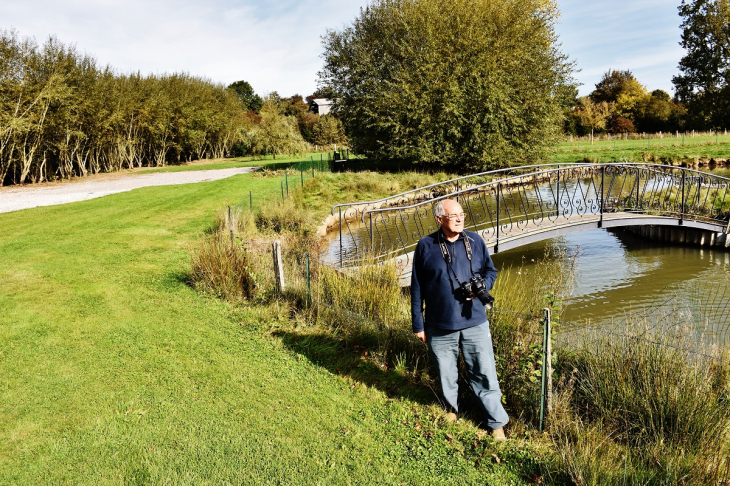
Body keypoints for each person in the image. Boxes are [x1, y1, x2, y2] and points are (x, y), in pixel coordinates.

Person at [410, 198, 508, 439]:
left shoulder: (475, 240)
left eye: (462, 214)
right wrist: (418, 324)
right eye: (454, 216)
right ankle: (453, 409)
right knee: (446, 373)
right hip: (438, 324)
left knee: (484, 373)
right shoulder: (425, 245)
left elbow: (490, 271)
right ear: (439, 219)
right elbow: (417, 288)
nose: (460, 219)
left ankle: (496, 424)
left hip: (475, 321)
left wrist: (483, 284)